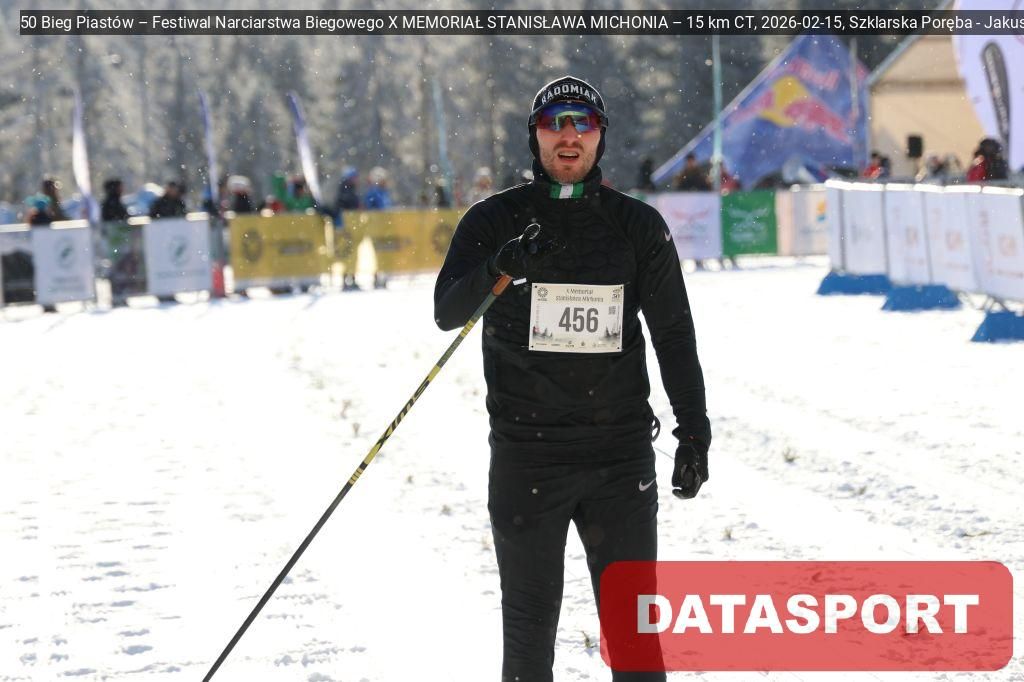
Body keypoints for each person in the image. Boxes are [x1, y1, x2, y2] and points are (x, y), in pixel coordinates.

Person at [434, 75, 711, 682]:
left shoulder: (636, 225)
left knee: (634, 641)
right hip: (527, 459)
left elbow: (673, 334)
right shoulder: (494, 219)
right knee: (528, 639)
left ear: (600, 136)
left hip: (619, 459)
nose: (568, 136)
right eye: (553, 123)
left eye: (582, 123)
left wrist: (695, 432)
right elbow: (447, 313)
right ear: (534, 136)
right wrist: (500, 265)